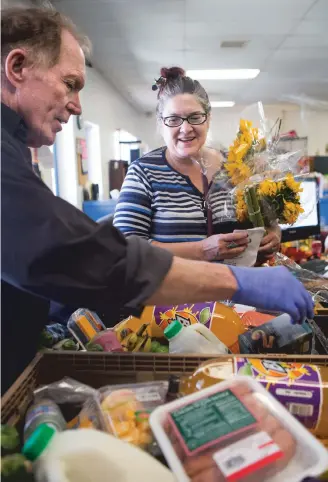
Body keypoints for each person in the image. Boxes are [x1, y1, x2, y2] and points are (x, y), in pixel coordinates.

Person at [1, 7, 313, 394]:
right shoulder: (143, 172)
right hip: (164, 315)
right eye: (70, 83)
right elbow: (77, 252)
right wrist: (233, 278)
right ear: (17, 67)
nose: (78, 105)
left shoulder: (12, 147)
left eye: (195, 118)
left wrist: (264, 239)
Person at [113, 67, 281, 263]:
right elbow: (123, 248)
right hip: (176, 290)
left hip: (237, 288)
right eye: (173, 119)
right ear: (161, 123)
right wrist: (201, 250)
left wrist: (274, 235)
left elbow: (270, 223)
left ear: (208, 119)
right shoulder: (143, 173)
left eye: (195, 117)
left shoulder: (238, 166)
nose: (185, 128)